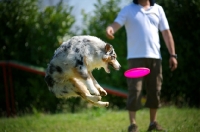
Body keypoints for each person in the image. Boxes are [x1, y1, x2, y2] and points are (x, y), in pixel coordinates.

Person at [106, 0, 178, 131]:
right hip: (135, 59)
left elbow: (166, 33)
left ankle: (153, 123)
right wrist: (111, 29)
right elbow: (116, 24)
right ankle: (133, 125)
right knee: (135, 91)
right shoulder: (128, 9)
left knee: (155, 90)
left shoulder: (158, 9)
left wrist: (173, 55)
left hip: (155, 58)